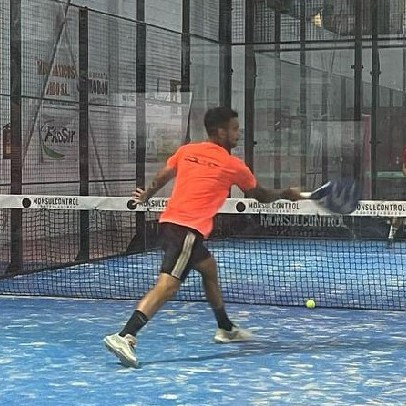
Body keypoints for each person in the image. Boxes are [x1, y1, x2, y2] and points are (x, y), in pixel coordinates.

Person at [104, 106, 302, 367]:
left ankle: (225, 328)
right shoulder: (233, 165)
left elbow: (164, 175)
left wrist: (147, 195)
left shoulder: (187, 151)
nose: (238, 134)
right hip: (187, 230)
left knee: (209, 268)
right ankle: (125, 335)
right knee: (168, 286)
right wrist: (286, 193)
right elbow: (260, 195)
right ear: (220, 131)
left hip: (170, 223)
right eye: (234, 129)